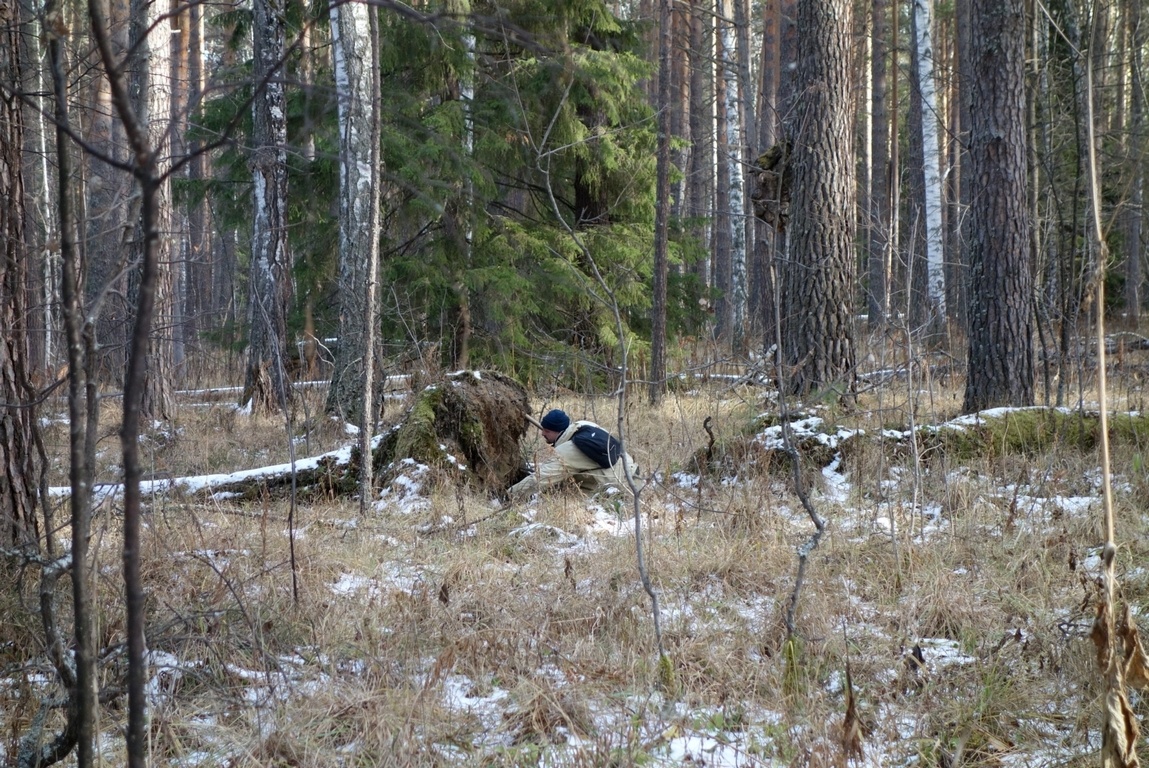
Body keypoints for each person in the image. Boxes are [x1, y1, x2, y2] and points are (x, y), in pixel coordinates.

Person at [507, 409, 640, 499]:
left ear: (558, 431)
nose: (542, 433)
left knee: (561, 491)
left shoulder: (570, 450)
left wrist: (509, 495)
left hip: (624, 489)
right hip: (634, 475)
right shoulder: (584, 425)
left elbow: (539, 479)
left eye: (547, 431)